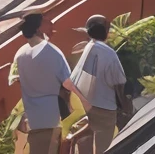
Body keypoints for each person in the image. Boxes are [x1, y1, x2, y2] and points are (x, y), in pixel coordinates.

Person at [11, 12, 73, 154]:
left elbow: (17, 81)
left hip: (33, 119)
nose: (52, 24)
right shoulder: (52, 52)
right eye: (46, 21)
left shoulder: (20, 54)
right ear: (39, 29)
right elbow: (68, 83)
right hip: (50, 118)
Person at [73, 15, 128, 150]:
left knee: (91, 141)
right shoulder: (108, 53)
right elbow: (119, 84)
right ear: (104, 30)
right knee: (105, 146)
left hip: (85, 104)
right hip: (103, 108)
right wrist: (125, 106)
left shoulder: (89, 47)